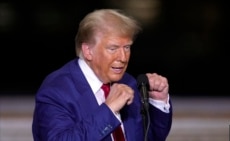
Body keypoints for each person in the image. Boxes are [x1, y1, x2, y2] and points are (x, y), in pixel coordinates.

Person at [32, 9, 172, 141]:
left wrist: (158, 102)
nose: (123, 57)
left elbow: (149, 137)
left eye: (127, 47)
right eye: (113, 48)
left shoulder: (128, 82)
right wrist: (109, 110)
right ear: (88, 51)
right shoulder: (56, 90)